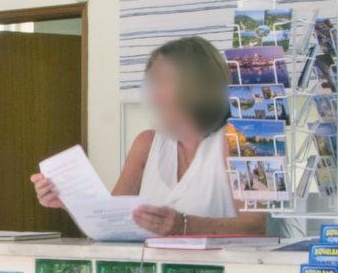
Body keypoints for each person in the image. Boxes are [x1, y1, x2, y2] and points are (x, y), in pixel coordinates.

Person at [29, 35, 266, 237]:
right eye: (152, 81)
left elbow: (257, 227)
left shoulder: (244, 141)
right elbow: (111, 224)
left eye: (164, 80)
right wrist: (69, 201)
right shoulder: (146, 143)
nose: (153, 92)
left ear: (197, 84)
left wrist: (183, 225)